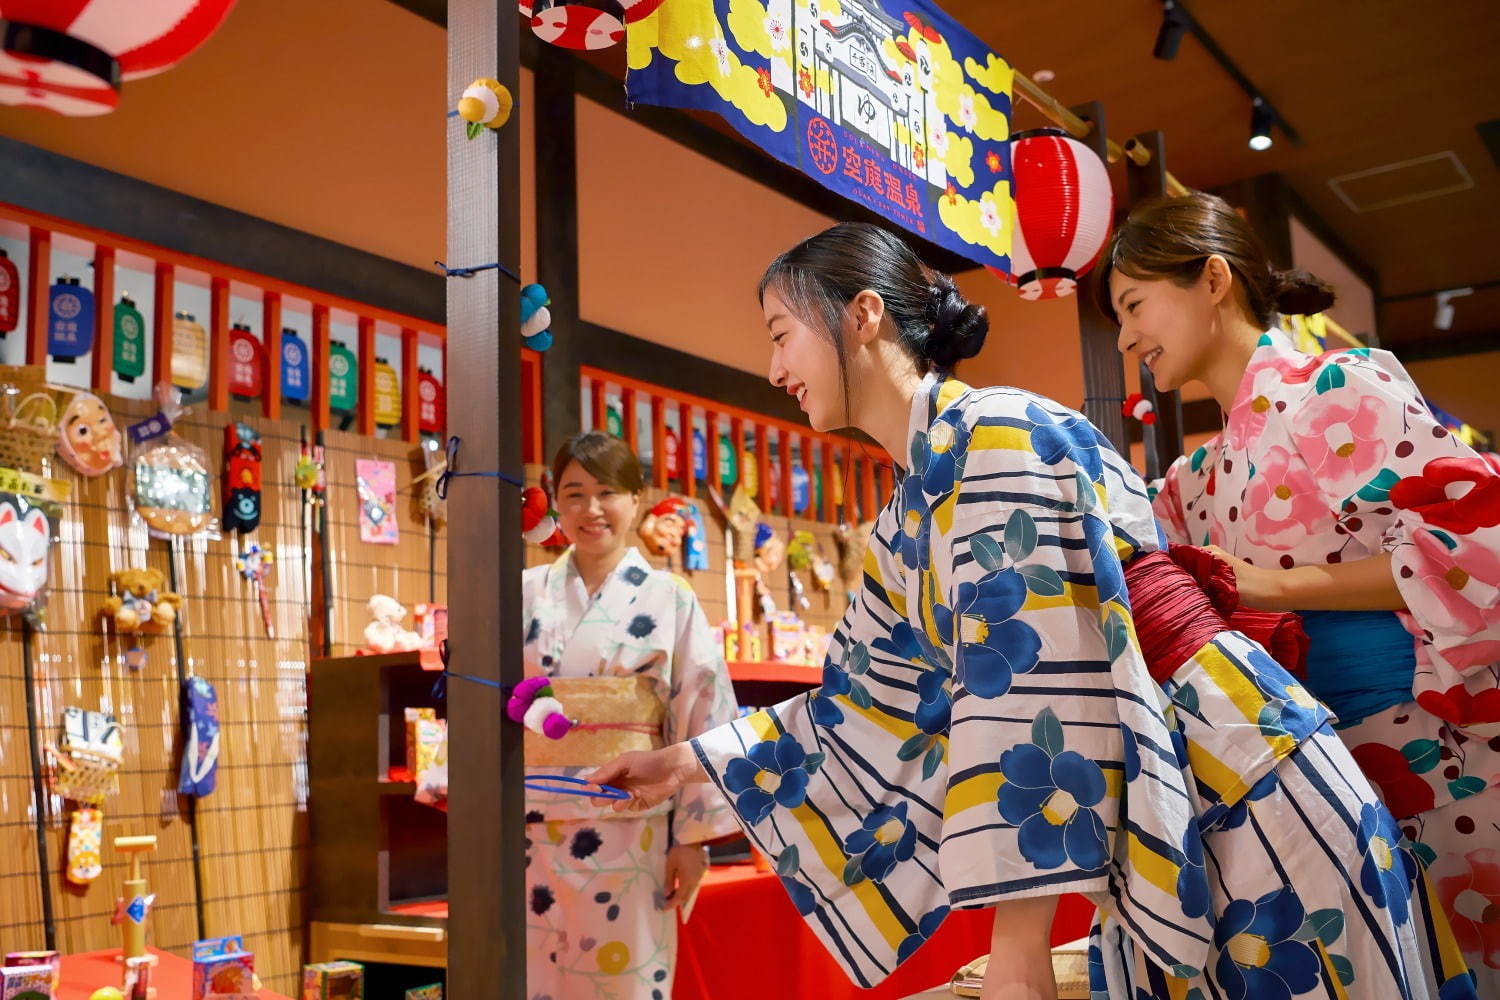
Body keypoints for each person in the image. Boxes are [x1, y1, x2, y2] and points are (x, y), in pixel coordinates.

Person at [589, 222, 1476, 1000]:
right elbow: (867, 698)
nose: (774, 367)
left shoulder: (998, 437)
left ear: (862, 316)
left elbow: (1026, 683)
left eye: (782, 334)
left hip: (1235, 775)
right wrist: (697, 761)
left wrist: (1018, 953)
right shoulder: (907, 515)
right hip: (1163, 804)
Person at [1102, 189, 1500, 992]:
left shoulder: (1335, 389)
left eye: (1135, 304)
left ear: (1213, 280)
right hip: (1321, 787)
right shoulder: (1197, 479)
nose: (1125, 337)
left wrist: (1265, 586)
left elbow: (1481, 538)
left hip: (1420, 755)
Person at [521, 432, 739, 1000]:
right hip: (527, 830)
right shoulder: (522, 593)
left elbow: (705, 715)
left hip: (632, 828)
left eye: (607, 492)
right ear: (554, 501)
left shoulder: (671, 597)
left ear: (636, 499)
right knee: (530, 976)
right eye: (574, 494)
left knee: (624, 981)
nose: (591, 510)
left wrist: (694, 839)